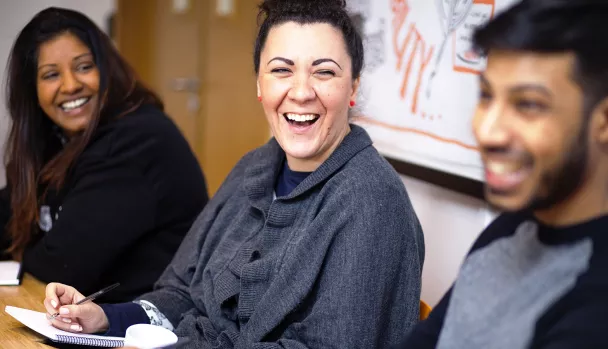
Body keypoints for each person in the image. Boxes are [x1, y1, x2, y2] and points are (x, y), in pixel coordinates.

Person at [43, 0, 426, 347]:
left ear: (353, 87)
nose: (301, 91)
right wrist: (107, 317)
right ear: (260, 84)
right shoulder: (255, 167)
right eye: (281, 70)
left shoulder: (373, 203)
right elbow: (180, 293)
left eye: (324, 73)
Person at [397, 0, 608, 348]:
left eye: (528, 105)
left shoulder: (603, 307)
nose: (488, 131)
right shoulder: (511, 227)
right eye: (486, 95)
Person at [0, 7, 208, 302]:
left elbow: (62, 268)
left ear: (107, 68)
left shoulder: (136, 139)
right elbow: (10, 213)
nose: (71, 85)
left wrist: (22, 250)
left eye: (84, 67)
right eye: (51, 75)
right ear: (31, 90)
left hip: (145, 330)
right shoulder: (61, 139)